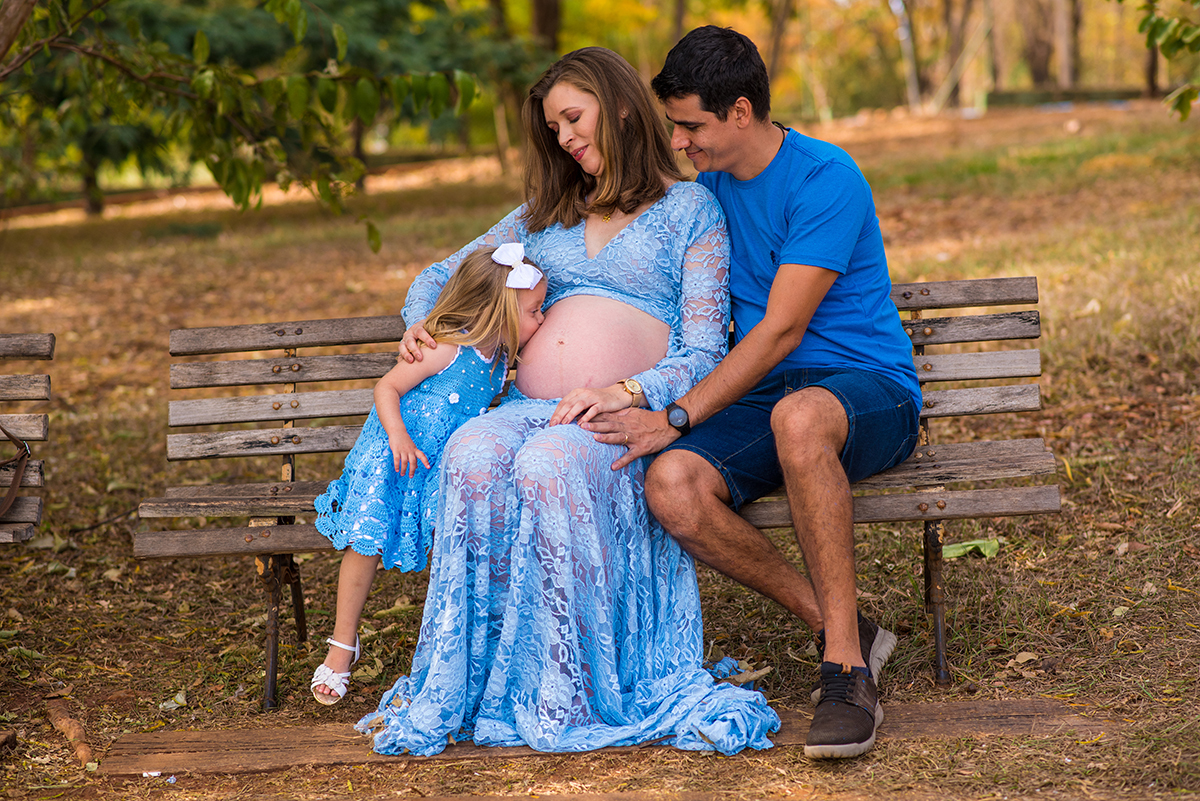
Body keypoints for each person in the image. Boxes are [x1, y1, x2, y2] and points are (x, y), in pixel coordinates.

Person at [354, 46, 780, 757]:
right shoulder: (541, 216)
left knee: (549, 463)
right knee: (473, 451)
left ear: (617, 105)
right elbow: (439, 273)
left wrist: (630, 389)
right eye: (553, 128)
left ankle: (566, 691)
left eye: (573, 118)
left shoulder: (688, 209)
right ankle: (483, 687)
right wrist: (422, 323)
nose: (565, 138)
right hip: (524, 404)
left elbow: (706, 348)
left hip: (617, 415)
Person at [582, 27, 921, 759]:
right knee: (672, 484)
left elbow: (781, 331)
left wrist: (675, 414)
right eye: (674, 125)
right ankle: (843, 627)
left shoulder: (824, 177)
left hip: (867, 388)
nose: (680, 142)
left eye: (691, 125)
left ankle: (847, 677)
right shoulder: (704, 198)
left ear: (741, 112)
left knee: (798, 417)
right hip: (769, 396)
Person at [310, 244, 547, 705]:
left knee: (454, 546)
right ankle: (342, 644)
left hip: (440, 469)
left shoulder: (498, 364)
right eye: (535, 311)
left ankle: (450, 649)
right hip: (395, 460)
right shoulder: (445, 348)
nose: (542, 319)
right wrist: (398, 437)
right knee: (366, 543)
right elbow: (388, 387)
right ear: (500, 312)